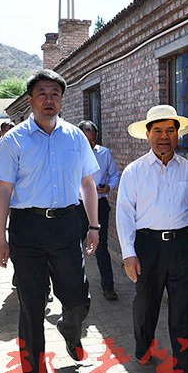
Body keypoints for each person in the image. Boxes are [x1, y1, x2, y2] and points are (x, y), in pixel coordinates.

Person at [0, 69, 100, 373]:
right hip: (28, 230)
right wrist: (0, 238)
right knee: (32, 306)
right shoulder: (14, 140)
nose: (49, 99)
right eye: (42, 93)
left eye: (55, 93)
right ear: (31, 99)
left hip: (67, 225)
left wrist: (94, 226)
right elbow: (3, 191)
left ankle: (70, 329)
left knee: (78, 298)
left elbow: (87, 184)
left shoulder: (75, 137)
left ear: (62, 99)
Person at [116, 104, 188, 373]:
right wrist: (128, 253)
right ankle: (143, 346)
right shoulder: (134, 172)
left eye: (170, 130)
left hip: (183, 246)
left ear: (178, 135)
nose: (164, 136)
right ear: (148, 134)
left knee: (183, 313)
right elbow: (124, 214)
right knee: (146, 305)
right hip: (147, 247)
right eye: (158, 131)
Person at [76, 120, 120, 300]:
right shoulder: (70, 155)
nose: (90, 144)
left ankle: (108, 287)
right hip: (77, 207)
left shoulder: (104, 154)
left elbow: (115, 174)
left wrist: (109, 186)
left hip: (99, 205)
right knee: (74, 246)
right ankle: (76, 288)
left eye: (93, 140)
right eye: (86, 140)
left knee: (101, 247)